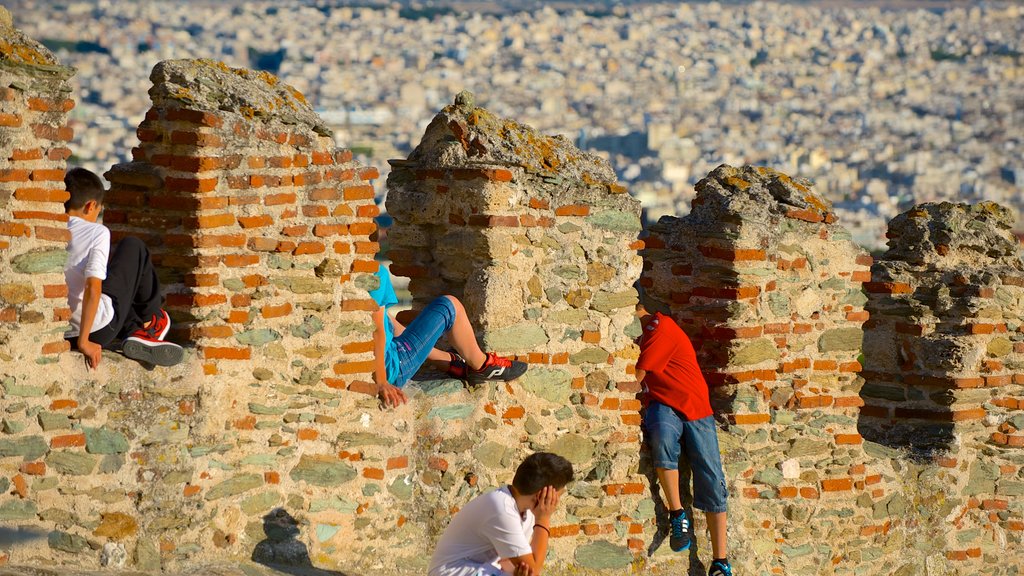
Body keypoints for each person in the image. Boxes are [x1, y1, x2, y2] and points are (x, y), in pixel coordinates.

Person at [635, 302, 731, 576]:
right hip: (664, 403)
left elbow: (635, 378)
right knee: (663, 436)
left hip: (695, 407)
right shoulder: (641, 334)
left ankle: (720, 561)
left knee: (712, 478)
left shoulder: (659, 329)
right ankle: (677, 514)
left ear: (638, 307)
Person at [63, 168, 183, 368]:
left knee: (115, 290)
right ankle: (152, 322)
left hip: (64, 332)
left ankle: (134, 332)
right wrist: (84, 342)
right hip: (96, 330)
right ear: (91, 205)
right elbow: (92, 288)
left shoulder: (48, 228)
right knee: (133, 247)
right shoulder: (96, 232)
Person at [368, 263, 527, 407]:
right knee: (450, 306)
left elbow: (387, 324)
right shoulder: (374, 273)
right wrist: (382, 381)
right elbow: (377, 331)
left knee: (400, 332)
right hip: (392, 368)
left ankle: (452, 363)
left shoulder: (349, 278)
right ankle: (482, 364)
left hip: (392, 354)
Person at [428, 452, 573, 576]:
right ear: (542, 494)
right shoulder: (502, 508)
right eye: (558, 495)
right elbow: (533, 571)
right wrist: (544, 518)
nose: (557, 501)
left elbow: (513, 564)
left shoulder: (526, 512)